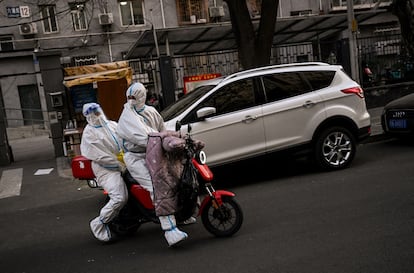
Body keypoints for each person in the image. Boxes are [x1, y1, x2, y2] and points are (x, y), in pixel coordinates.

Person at [117, 82, 190, 247]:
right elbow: (144, 137)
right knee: (156, 186)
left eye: (135, 96)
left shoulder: (151, 112)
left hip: (155, 153)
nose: (132, 100)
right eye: (130, 97)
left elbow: (161, 130)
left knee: (174, 178)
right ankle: (170, 230)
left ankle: (181, 215)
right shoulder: (126, 118)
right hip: (136, 158)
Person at [80, 102, 128, 243]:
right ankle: (99, 223)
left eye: (97, 111)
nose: (97, 114)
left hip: (124, 164)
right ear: (87, 116)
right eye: (93, 112)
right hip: (107, 170)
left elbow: (125, 138)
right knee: (120, 197)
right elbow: (99, 156)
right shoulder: (89, 133)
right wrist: (118, 162)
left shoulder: (112, 125)